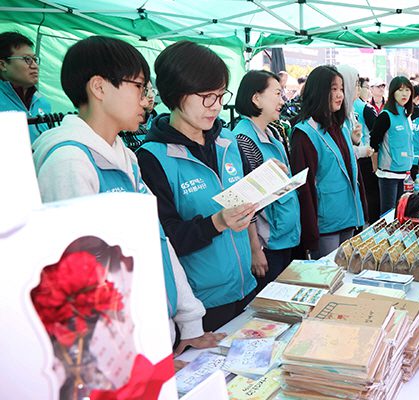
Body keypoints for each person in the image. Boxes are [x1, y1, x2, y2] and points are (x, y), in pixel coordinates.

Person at [31, 36, 218, 354]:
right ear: (100, 88)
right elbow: (83, 284)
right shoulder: (69, 162)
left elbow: (158, 243)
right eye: (140, 88)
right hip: (120, 354)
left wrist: (189, 322)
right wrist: (133, 356)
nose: (148, 101)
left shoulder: (126, 157)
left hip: (155, 334)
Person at [137, 41, 258, 332]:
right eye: (206, 96)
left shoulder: (227, 142)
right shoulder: (152, 158)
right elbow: (166, 240)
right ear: (176, 94)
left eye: (220, 95)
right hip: (200, 306)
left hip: (247, 287)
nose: (216, 105)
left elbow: (244, 202)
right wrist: (216, 222)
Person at [232, 70, 301, 292]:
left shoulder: (272, 134)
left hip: (283, 236)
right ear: (256, 98)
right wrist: (254, 248)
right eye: (277, 94)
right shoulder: (244, 139)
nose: (282, 101)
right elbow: (244, 201)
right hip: (267, 243)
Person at [290, 65, 366, 259]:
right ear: (319, 91)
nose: (340, 94)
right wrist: (310, 234)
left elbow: (352, 171)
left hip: (348, 216)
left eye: (341, 88)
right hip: (326, 224)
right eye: (333, 89)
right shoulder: (304, 134)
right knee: (329, 277)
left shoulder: (338, 126)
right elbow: (304, 188)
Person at [369, 76, 416, 216]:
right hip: (388, 174)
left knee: (400, 212)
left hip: (403, 172)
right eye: (400, 90)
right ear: (392, 92)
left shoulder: (407, 115)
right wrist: (375, 166)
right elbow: (374, 141)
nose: (404, 94)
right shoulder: (386, 115)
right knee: (388, 214)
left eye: (407, 90)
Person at [0, 32, 52, 143]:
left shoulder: (42, 103)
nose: (35, 66)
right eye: (27, 59)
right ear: (3, 65)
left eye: (35, 60)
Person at [354, 76, 381, 221]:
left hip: (357, 157)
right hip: (366, 157)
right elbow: (376, 135)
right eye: (365, 87)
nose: (368, 91)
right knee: (370, 192)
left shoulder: (347, 108)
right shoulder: (365, 108)